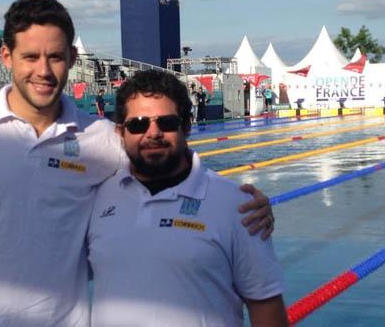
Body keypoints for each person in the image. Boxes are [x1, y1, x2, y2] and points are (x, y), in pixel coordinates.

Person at [0, 0, 274, 326]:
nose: (44, 71)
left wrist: (242, 204)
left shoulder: (102, 138)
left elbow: (164, 164)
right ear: (6, 56)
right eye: (30, 57)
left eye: (55, 57)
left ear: (71, 57)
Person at [87, 70, 288, 327]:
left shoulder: (238, 206)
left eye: (167, 123)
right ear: (120, 132)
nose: (153, 133)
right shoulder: (98, 197)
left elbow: (267, 309)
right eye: (138, 124)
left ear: (186, 126)